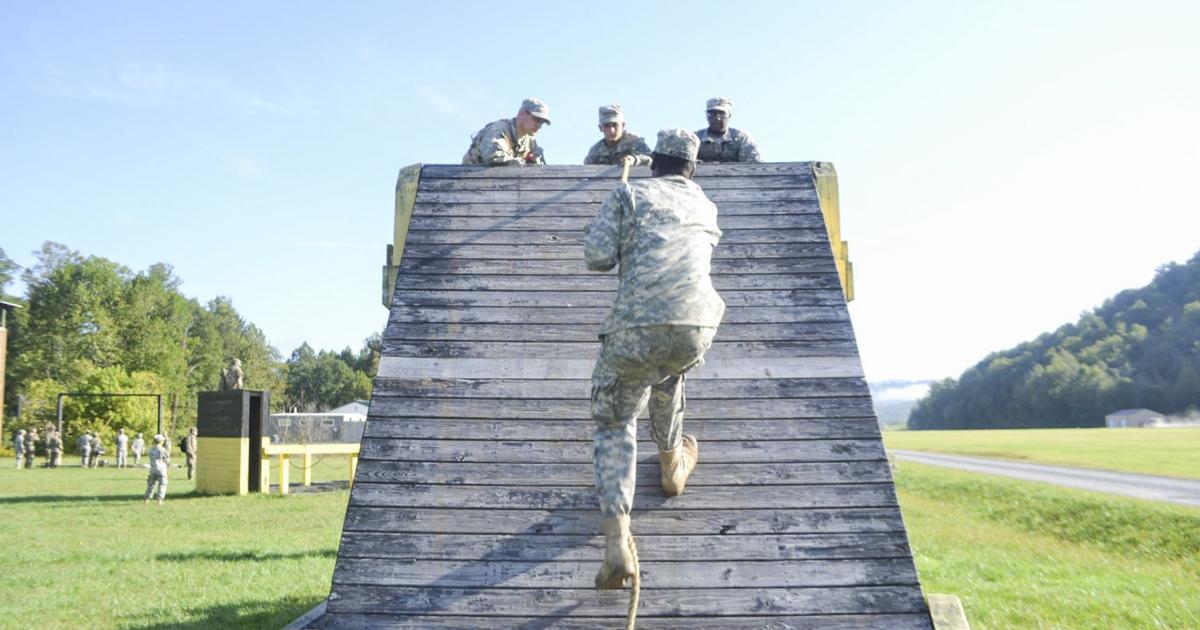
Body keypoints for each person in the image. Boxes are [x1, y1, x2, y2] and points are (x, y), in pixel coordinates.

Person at [583, 129, 725, 589]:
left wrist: (615, 223)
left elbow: (597, 257)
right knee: (667, 376)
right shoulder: (706, 205)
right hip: (697, 326)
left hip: (635, 329)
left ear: (654, 162)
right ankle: (671, 468)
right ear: (692, 169)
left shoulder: (628, 193)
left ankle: (617, 543)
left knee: (615, 419)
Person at [462, 98, 550, 166]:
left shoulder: (530, 142)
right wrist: (514, 161)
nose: (539, 126)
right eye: (537, 120)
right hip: (468, 179)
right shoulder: (499, 130)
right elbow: (491, 156)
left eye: (542, 122)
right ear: (521, 114)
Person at [695, 97, 762, 163]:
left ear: (729, 116)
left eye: (721, 113)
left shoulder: (742, 138)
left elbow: (754, 166)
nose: (717, 118)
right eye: (712, 114)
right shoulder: (694, 139)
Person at [583, 105, 652, 167]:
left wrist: (635, 159)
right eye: (607, 126)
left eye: (615, 125)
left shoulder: (635, 142)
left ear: (623, 125)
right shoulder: (595, 151)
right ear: (600, 128)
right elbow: (585, 173)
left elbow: (653, 161)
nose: (612, 130)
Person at [144, 434, 170, 505]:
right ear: (161, 441)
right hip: (161, 469)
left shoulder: (150, 450)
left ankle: (146, 499)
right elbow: (166, 459)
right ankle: (160, 500)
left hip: (152, 469)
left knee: (151, 485)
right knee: (162, 484)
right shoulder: (162, 449)